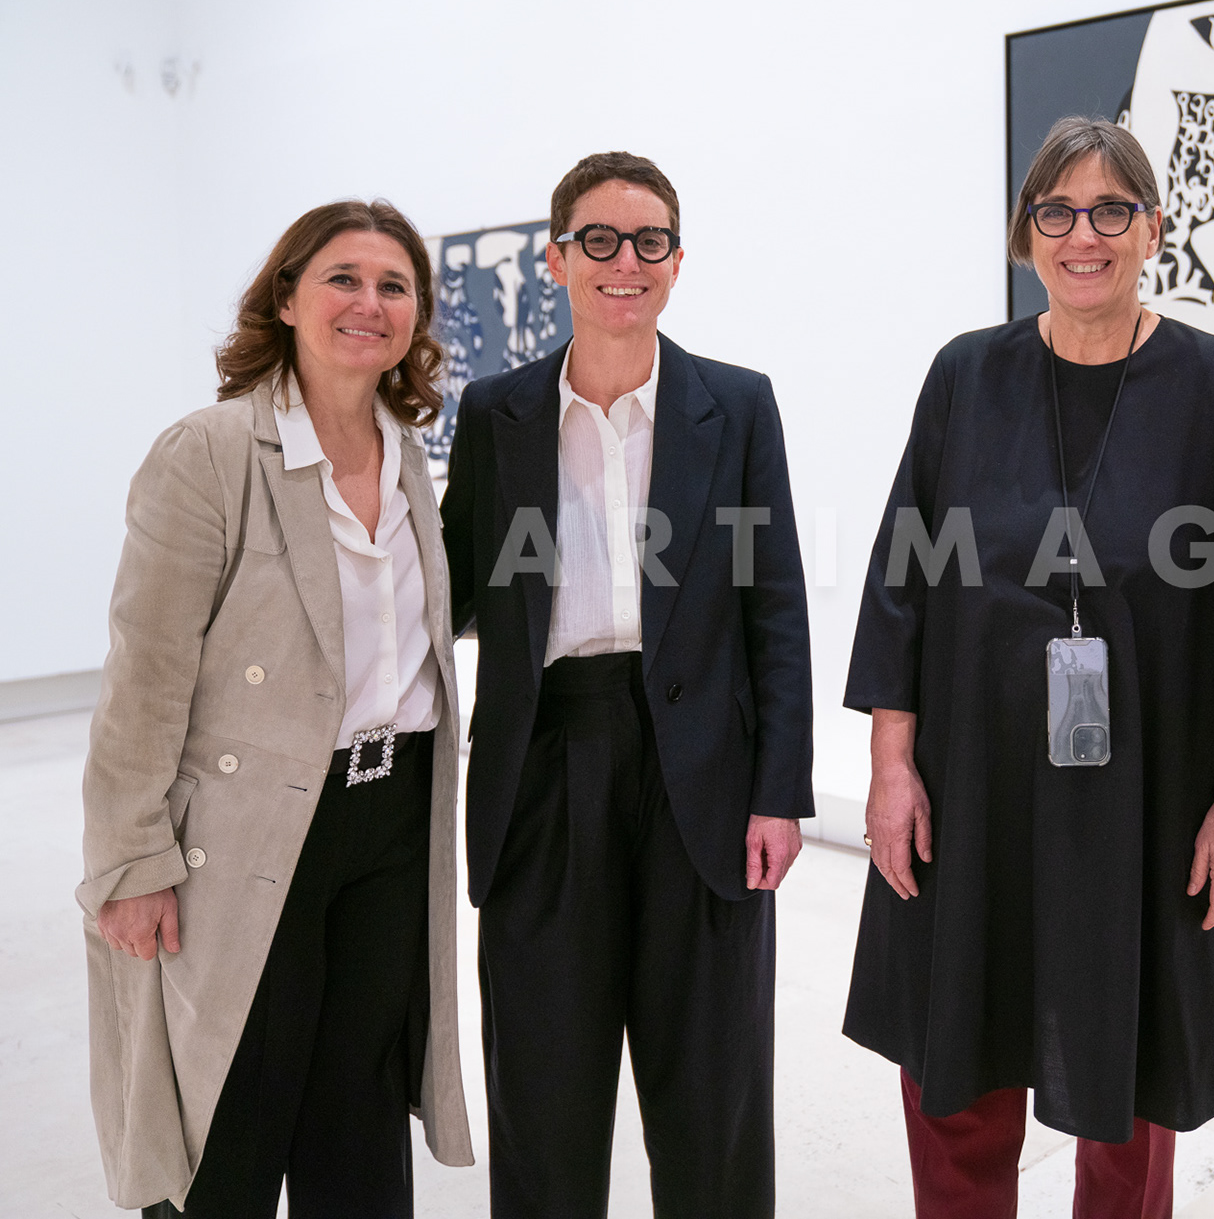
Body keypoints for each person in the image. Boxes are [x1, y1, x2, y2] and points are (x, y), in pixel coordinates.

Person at [843, 115, 1214, 1219]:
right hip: (974, 775)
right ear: (1026, 232)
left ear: (1153, 230)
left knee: (1128, 1073)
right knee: (958, 1056)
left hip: (1149, 786)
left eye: (1109, 211)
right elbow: (903, 575)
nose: (1081, 236)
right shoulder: (966, 376)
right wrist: (891, 768)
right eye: (1056, 211)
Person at [77, 200, 474, 1217]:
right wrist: (129, 862)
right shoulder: (208, 453)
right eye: (344, 277)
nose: (370, 303)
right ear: (288, 296)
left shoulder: (412, 458)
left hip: (392, 820)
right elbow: (144, 674)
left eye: (395, 286)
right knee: (236, 1113)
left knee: (360, 1114)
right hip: (254, 824)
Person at [440, 151, 813, 1219]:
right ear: (558, 258)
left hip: (700, 771)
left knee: (713, 1095)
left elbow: (772, 607)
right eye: (598, 239)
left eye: (649, 241)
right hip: (544, 771)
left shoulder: (735, 408)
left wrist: (780, 789)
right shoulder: (499, 415)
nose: (624, 261)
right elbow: (456, 590)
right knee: (544, 1093)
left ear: (677, 262)